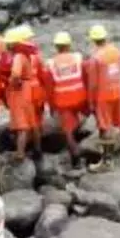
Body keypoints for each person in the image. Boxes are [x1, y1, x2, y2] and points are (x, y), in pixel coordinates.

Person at [85, 25, 120, 168]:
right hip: (117, 91)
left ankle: (107, 161)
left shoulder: (95, 58)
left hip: (103, 96)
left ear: (93, 40)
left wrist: (91, 102)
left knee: (104, 127)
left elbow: (93, 84)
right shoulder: (116, 52)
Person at [44, 32, 89, 166]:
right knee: (76, 120)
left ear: (56, 47)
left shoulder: (51, 63)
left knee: (67, 130)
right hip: (80, 96)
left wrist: (51, 107)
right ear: (69, 45)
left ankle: (75, 155)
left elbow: (49, 88)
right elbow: (86, 76)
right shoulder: (78, 57)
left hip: (63, 100)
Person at [5, 27, 44, 162]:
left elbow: (16, 74)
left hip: (20, 91)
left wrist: (13, 82)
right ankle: (38, 150)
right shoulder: (28, 55)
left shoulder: (18, 56)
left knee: (22, 124)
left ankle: (20, 153)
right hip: (29, 90)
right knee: (32, 122)